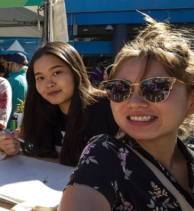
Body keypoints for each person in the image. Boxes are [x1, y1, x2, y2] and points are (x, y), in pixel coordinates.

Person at [59, 14, 194, 210]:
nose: (135, 102)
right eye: (120, 89)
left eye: (156, 88)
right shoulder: (105, 155)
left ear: (191, 102)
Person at [0, 42, 119, 166]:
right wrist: (10, 144)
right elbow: (23, 137)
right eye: (40, 78)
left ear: (75, 71)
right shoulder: (43, 114)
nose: (49, 84)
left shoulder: (110, 109)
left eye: (57, 73)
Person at [6, 52, 28, 129]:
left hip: (10, 123)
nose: (8, 66)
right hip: (24, 122)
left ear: (13, 64)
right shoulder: (29, 79)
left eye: (9, 64)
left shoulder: (10, 80)